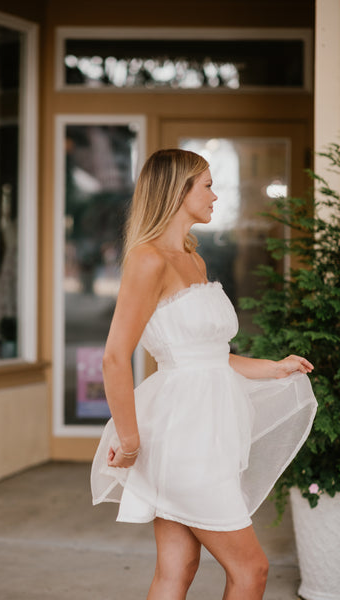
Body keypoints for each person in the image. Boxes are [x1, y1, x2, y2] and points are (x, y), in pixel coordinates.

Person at [91, 148, 317, 600]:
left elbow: (212, 357)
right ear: (179, 191)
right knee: (251, 568)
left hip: (212, 432)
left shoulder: (194, 260)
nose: (217, 195)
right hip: (184, 436)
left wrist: (275, 368)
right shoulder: (148, 259)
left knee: (178, 567)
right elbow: (115, 357)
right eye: (208, 185)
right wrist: (131, 441)